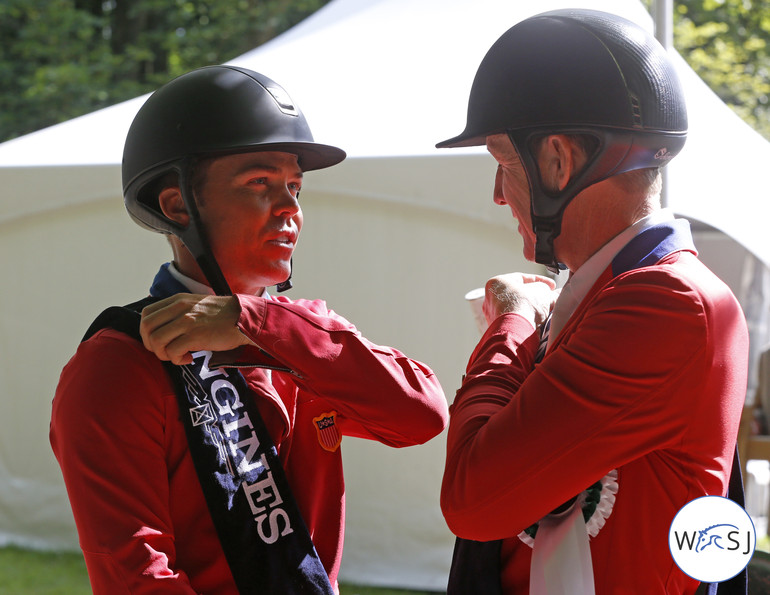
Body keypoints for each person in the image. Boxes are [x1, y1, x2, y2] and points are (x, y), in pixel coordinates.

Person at [50, 65, 448, 595]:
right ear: (176, 205)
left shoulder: (301, 334)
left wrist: (251, 323)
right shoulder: (117, 365)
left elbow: (420, 415)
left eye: (295, 187)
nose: (290, 208)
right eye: (259, 183)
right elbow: (137, 577)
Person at [436, 9, 749, 595]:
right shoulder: (613, 290)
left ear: (558, 160)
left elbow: (473, 498)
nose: (499, 194)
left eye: (503, 163)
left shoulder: (666, 302)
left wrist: (511, 322)